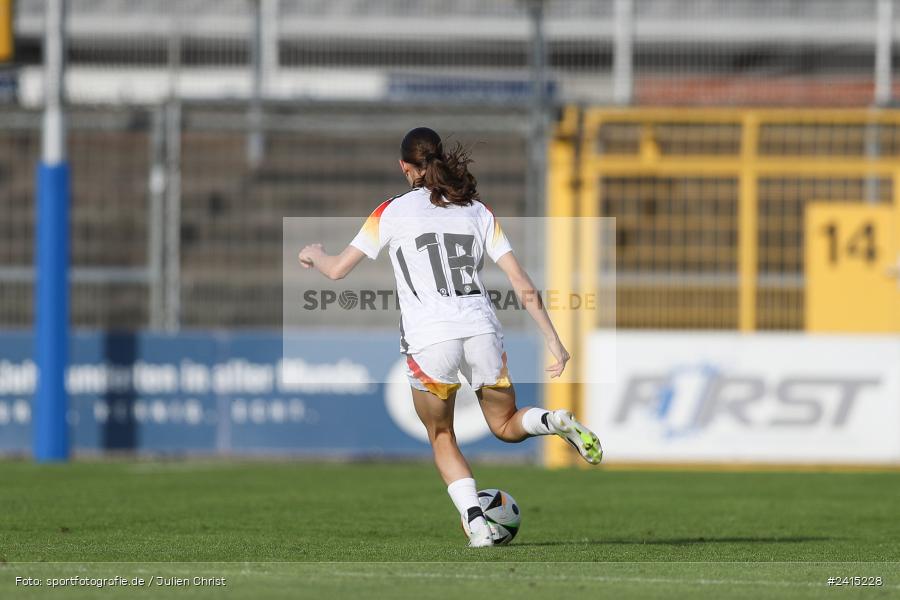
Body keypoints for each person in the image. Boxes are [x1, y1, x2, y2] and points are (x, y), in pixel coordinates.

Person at [298, 127, 602, 548]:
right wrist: (553, 339)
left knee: (442, 435)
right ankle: (553, 420)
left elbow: (336, 270)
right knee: (505, 423)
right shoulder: (476, 210)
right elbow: (521, 282)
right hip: (481, 329)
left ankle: (476, 522)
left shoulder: (390, 211)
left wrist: (313, 254)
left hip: (430, 339)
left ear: (405, 167)